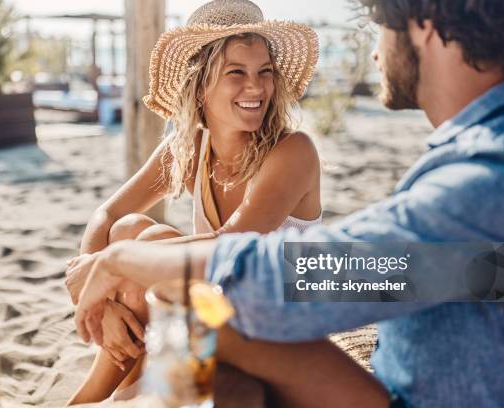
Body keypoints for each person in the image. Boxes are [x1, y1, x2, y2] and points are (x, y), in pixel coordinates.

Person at [71, 0, 504, 406]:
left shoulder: (494, 167)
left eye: (380, 26)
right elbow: (431, 270)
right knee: (185, 293)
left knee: (193, 290)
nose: (374, 51)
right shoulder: (494, 146)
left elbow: (325, 275)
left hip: (417, 395)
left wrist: (125, 261)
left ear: (424, 25)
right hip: (409, 375)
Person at [65, 0, 321, 404]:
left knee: (141, 251)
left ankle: (97, 397)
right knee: (129, 229)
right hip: (217, 306)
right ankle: (112, 394)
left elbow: (228, 243)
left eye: (264, 72)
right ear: (200, 84)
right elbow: (108, 213)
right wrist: (96, 297)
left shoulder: (293, 151)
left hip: (277, 320)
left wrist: (110, 268)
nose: (256, 87)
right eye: (236, 72)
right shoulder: (189, 147)